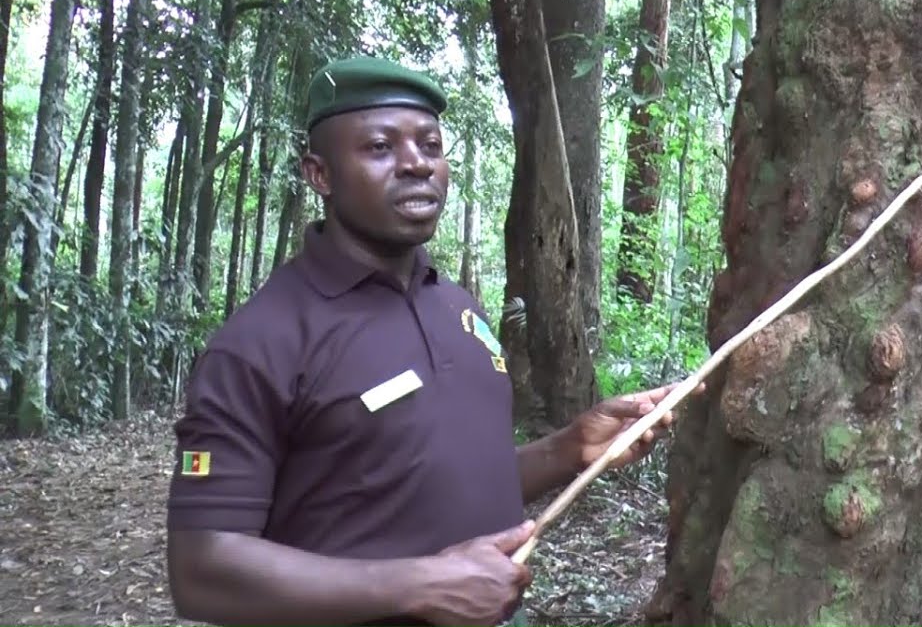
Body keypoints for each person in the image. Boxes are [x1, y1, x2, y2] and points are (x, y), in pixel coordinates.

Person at [165, 56, 698, 627]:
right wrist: (419, 586)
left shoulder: (459, 310)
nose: (416, 164)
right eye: (379, 148)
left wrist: (572, 448)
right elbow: (201, 570)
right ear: (320, 174)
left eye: (430, 145)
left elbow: (439, 481)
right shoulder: (262, 341)